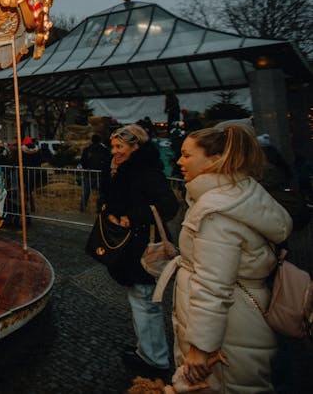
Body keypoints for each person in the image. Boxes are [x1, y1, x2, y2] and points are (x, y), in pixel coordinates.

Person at [166, 124, 292, 392]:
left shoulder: (217, 211)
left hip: (227, 329)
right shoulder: (239, 193)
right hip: (241, 317)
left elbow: (213, 285)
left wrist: (201, 347)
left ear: (214, 160)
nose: (179, 161)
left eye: (187, 155)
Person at [98, 124, 178, 378]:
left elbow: (169, 205)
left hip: (143, 244)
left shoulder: (147, 173)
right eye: (113, 146)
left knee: (145, 300)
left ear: (135, 147)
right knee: (139, 299)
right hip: (130, 245)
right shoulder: (120, 169)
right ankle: (148, 350)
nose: (115, 151)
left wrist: (133, 217)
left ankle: (155, 360)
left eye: (119, 146)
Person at [79, 134, 110, 212]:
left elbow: (83, 160)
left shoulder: (87, 149)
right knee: (101, 192)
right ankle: (99, 208)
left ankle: (82, 207)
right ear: (100, 140)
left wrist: (86, 168)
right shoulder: (104, 149)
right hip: (100, 173)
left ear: (92, 140)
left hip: (89, 172)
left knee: (86, 191)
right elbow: (108, 160)